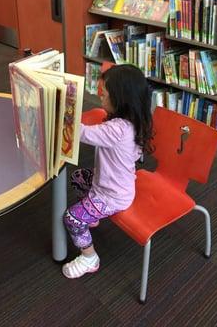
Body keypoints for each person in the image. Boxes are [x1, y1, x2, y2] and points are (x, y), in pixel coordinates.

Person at [62, 64, 154, 278]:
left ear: (120, 100)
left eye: (104, 96)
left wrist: (64, 107)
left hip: (113, 195)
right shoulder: (134, 121)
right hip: (113, 184)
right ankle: (93, 216)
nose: (99, 97)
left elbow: (81, 133)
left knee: (71, 218)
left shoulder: (117, 129)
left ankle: (89, 258)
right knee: (79, 177)